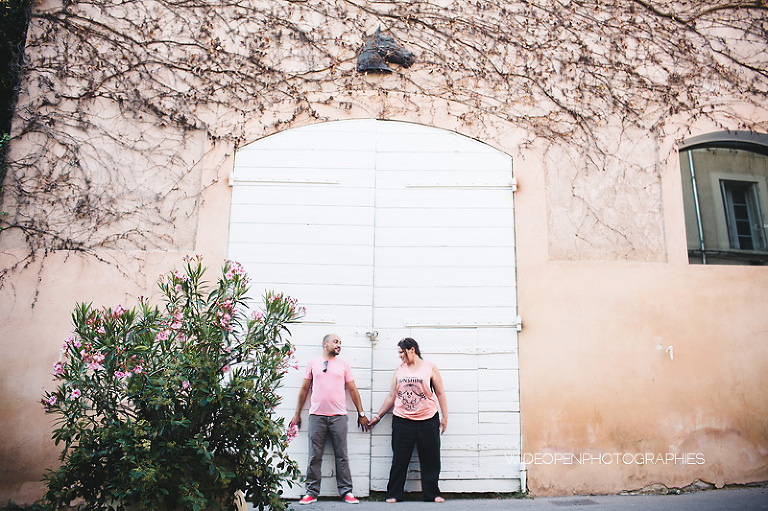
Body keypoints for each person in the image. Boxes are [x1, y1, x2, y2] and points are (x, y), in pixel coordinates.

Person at [291, 334, 370, 505]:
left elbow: (353, 390)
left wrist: (361, 413)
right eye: (336, 342)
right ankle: (311, 493)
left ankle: (346, 492)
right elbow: (304, 389)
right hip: (316, 416)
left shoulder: (344, 365)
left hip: (338, 417)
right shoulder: (313, 363)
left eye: (340, 343)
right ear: (325, 344)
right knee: (314, 456)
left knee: (342, 455)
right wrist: (297, 413)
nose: (339, 345)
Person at [368, 338, 448, 503]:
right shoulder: (399, 369)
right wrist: (378, 416)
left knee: (431, 459)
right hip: (402, 420)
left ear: (411, 350)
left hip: (428, 419)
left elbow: (440, 393)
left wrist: (445, 416)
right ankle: (394, 494)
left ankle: (432, 493)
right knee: (400, 459)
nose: (400, 356)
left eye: (401, 352)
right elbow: (392, 396)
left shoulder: (430, 367)